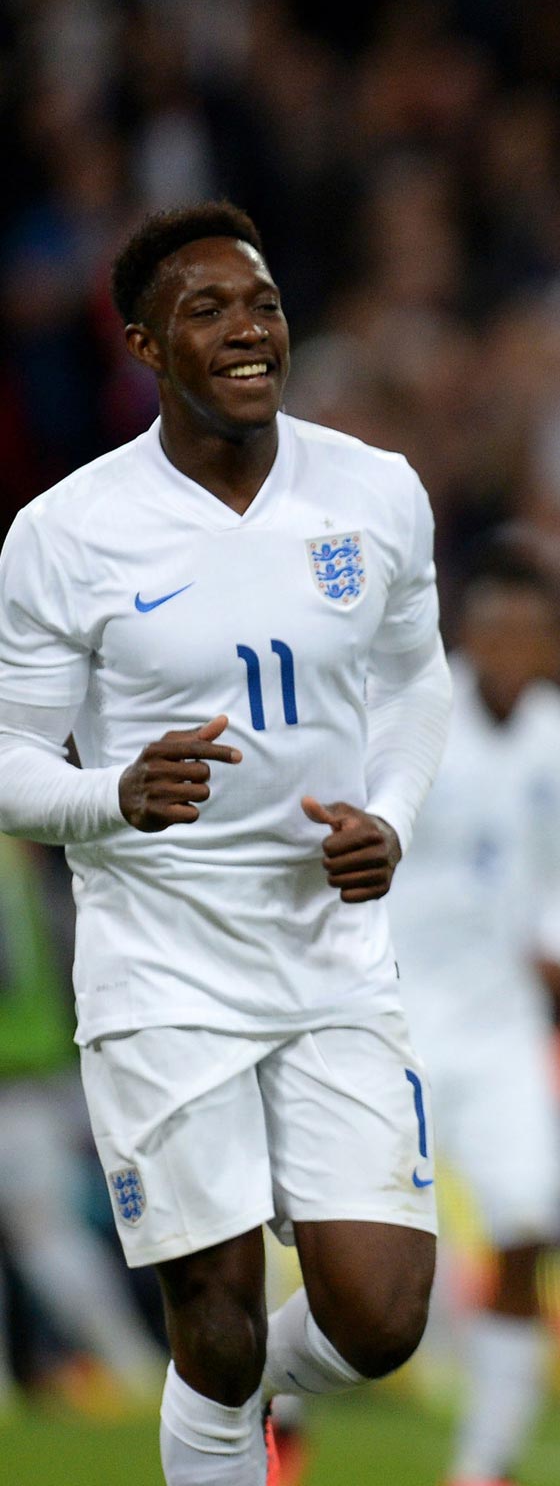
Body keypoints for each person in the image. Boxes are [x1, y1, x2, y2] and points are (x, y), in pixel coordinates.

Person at [0, 201, 452, 1486]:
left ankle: (239, 1400)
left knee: (380, 1319)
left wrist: (393, 820)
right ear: (145, 344)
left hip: (331, 954)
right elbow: (9, 758)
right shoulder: (68, 532)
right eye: (207, 309)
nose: (249, 328)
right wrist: (112, 797)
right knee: (215, 1320)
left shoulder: (373, 490)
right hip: (160, 966)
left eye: (260, 301)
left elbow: (418, 687)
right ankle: (220, 1410)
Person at [383, 541, 560, 1486]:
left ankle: (485, 1465)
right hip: (401, 1012)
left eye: (531, 633)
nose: (512, 648)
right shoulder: (409, 725)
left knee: (528, 1227)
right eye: (496, 630)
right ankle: (282, 1402)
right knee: (367, 1257)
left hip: (505, 1019)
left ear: (553, 644)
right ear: (467, 636)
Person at [0, 834, 167, 1411]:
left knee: (46, 1231)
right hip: (47, 1062)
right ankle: (126, 1361)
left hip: (17, 1074)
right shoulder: (20, 855)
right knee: (49, 1230)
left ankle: (127, 1362)